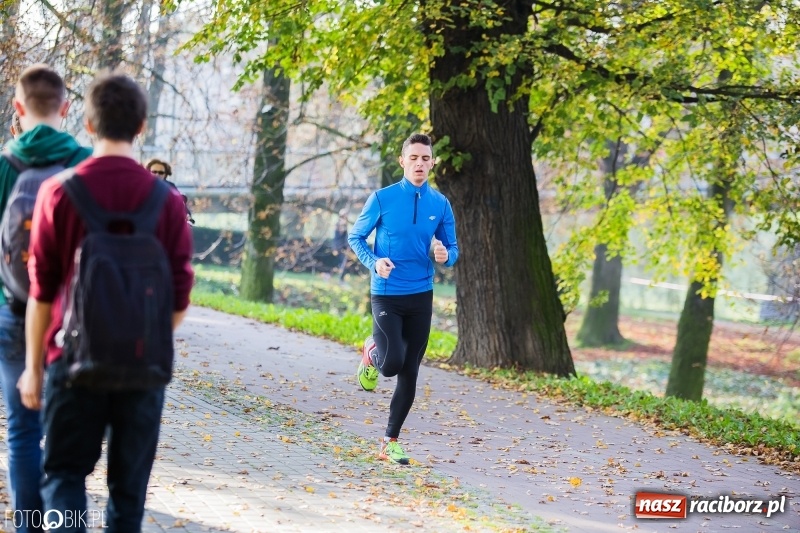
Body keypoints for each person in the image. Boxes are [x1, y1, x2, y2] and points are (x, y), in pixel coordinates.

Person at [17, 72, 194, 531]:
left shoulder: (59, 192)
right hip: (143, 369)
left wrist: (34, 368)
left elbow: (41, 293)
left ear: (88, 125)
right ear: (141, 127)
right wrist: (137, 335)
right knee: (128, 493)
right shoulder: (166, 200)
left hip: (71, 364)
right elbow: (178, 298)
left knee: (64, 477)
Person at [0, 64, 92, 533]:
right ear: (66, 108)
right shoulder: (84, 163)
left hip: (13, 310)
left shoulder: (3, 165)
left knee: (21, 432)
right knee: (66, 437)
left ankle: (28, 528)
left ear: (18, 109)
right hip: (73, 320)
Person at [348, 133, 458, 465]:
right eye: (414, 158)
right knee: (391, 364)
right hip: (387, 294)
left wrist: (444, 255)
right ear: (402, 161)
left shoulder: (440, 204)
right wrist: (374, 262)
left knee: (410, 369)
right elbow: (356, 237)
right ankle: (372, 350)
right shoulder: (382, 198)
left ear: (433, 162)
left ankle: (390, 442)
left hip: (421, 295)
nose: (420, 163)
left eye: (426, 158)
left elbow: (452, 250)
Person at [145, 158, 195, 224]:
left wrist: (187, 216)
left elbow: (181, 205)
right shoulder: (141, 186)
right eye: (154, 172)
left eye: (161, 172)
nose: (157, 174)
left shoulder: (171, 187)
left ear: (165, 174)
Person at [332, 208, 350, 281]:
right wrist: (335, 248)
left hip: (344, 247)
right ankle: (340, 279)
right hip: (339, 247)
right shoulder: (339, 224)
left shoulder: (345, 224)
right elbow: (337, 237)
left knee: (343, 263)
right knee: (342, 263)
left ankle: (340, 279)